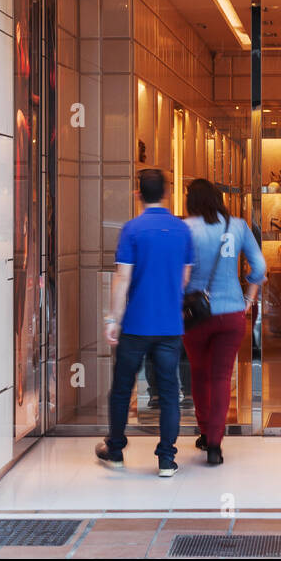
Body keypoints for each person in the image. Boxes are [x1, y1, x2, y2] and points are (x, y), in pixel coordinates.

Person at [97, 169, 193, 477]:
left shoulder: (132, 229)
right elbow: (185, 277)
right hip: (169, 326)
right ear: (166, 193)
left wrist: (113, 319)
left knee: (122, 389)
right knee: (169, 392)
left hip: (136, 325)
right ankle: (166, 459)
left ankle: (115, 451)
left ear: (137, 194)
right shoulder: (181, 230)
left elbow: (122, 277)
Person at [183, 178, 267, 465]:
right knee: (221, 377)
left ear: (191, 200)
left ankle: (205, 432)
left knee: (198, 373)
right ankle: (215, 445)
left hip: (195, 315)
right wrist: (249, 300)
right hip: (232, 312)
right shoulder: (238, 226)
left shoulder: (186, 228)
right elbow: (260, 267)